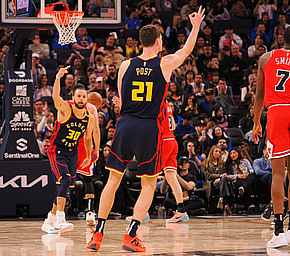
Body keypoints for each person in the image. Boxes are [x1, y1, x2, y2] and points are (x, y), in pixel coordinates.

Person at [87, 7, 205, 252]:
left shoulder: (125, 65)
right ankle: (130, 235)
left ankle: (97, 233)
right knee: (149, 184)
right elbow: (186, 50)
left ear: (141, 42)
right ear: (159, 41)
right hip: (148, 127)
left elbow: (121, 97)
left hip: (126, 123)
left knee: (112, 180)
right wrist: (195, 26)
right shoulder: (164, 63)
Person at [252, 25, 290, 248]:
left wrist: (256, 122)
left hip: (276, 113)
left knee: (277, 174)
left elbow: (259, 94)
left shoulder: (265, 58)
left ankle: (277, 231)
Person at [41, 66, 94, 234]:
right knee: (64, 180)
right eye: (78, 96)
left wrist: (88, 155)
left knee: (65, 185)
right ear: (73, 96)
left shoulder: (89, 117)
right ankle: (61, 219)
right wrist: (57, 78)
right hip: (57, 150)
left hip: (73, 153)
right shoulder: (65, 109)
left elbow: (87, 138)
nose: (81, 99)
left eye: (84, 96)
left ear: (86, 98)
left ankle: (50, 219)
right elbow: (55, 96)